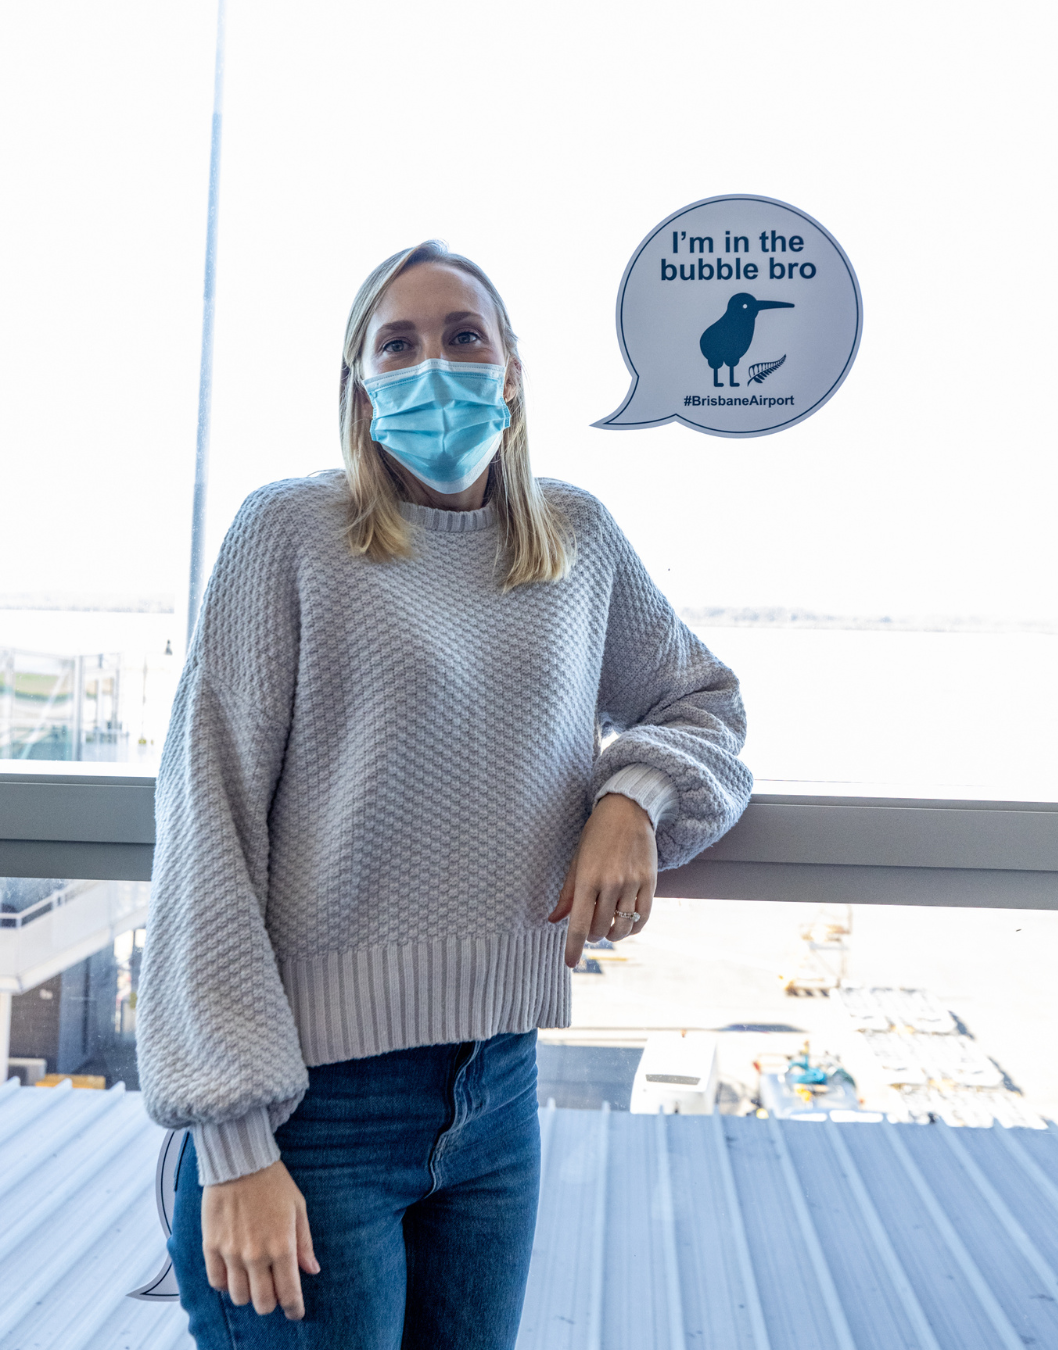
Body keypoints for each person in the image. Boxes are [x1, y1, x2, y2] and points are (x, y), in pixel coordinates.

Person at [137, 240, 753, 1350]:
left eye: (464, 336)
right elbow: (204, 827)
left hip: (499, 1091)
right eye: (398, 344)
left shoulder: (576, 539)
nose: (434, 366)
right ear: (359, 384)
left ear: (512, 368)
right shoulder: (288, 534)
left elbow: (704, 702)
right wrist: (234, 1143)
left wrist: (634, 796)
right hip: (304, 1112)